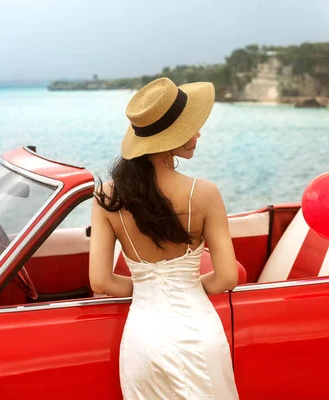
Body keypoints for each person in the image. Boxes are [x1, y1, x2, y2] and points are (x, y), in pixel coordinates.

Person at [89, 77, 240, 399]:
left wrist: (150, 287)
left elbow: (100, 281)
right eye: (191, 128)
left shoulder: (105, 197)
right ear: (169, 140)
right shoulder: (205, 194)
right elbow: (227, 277)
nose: (198, 133)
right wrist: (183, 287)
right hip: (198, 334)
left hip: (142, 340)